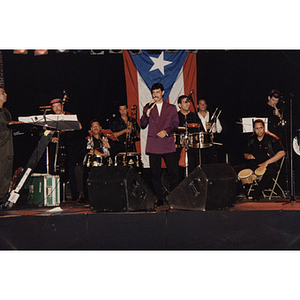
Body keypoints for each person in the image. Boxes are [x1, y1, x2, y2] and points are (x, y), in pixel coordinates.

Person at [140, 82, 179, 207]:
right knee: (155, 173)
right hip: (154, 144)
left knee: (173, 172)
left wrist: (166, 131)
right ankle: (159, 198)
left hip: (167, 143)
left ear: (162, 93)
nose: (155, 94)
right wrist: (147, 114)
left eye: (157, 92)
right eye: (153, 92)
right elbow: (142, 124)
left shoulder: (171, 108)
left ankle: (172, 197)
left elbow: (175, 125)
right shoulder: (148, 107)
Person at [235, 119, 285, 200]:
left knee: (270, 171)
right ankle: (241, 192)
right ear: (254, 129)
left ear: (264, 127)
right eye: (257, 128)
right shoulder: (250, 139)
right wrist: (248, 156)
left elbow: (282, 153)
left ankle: (257, 192)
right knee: (234, 170)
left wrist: (266, 163)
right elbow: (245, 154)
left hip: (270, 164)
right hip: (255, 164)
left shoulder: (272, 138)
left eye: (261, 128)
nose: (259, 130)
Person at [49, 98, 82, 201]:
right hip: (56, 149)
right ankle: (56, 197)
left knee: (72, 171)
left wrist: (72, 120)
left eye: (58, 106)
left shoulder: (69, 116)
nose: (57, 108)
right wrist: (51, 138)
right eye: (54, 107)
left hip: (70, 148)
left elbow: (80, 127)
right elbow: (45, 132)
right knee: (54, 170)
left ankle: (74, 196)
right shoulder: (50, 119)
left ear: (62, 106)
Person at [176, 95, 201, 181]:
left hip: (192, 148)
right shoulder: (175, 116)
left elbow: (200, 130)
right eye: (185, 102)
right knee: (178, 171)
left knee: (192, 169)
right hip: (179, 148)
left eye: (188, 102)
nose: (188, 104)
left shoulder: (194, 116)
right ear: (179, 105)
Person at [197, 99, 222, 164]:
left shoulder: (213, 116)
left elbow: (219, 130)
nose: (203, 105)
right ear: (197, 106)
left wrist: (212, 128)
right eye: (201, 104)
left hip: (211, 144)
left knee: (212, 163)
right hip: (200, 144)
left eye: (204, 103)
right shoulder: (195, 116)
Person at [0, 87, 14, 205]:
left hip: (8, 148)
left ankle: (2, 199)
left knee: (6, 174)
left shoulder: (7, 112)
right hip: (1, 147)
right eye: (2, 93)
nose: (5, 94)